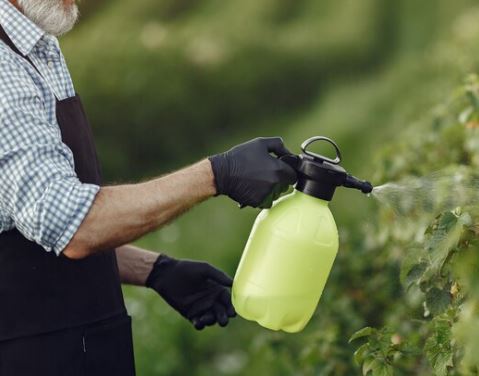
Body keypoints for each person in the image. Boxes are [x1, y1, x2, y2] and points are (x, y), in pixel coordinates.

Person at [0, 0, 298, 375]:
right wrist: (216, 174)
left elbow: (33, 224)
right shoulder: (3, 71)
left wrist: (155, 270)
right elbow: (76, 225)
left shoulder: (38, 48)